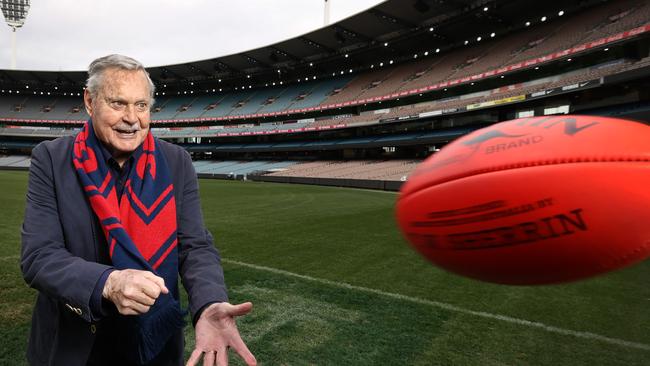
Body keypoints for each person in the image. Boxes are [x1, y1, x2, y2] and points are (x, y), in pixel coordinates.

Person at [21, 54, 257, 366]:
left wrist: (209, 301)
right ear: (90, 102)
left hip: (155, 346)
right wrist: (109, 283)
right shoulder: (51, 159)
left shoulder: (176, 162)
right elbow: (39, 256)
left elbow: (194, 245)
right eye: (118, 103)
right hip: (76, 347)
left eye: (142, 105)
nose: (132, 118)